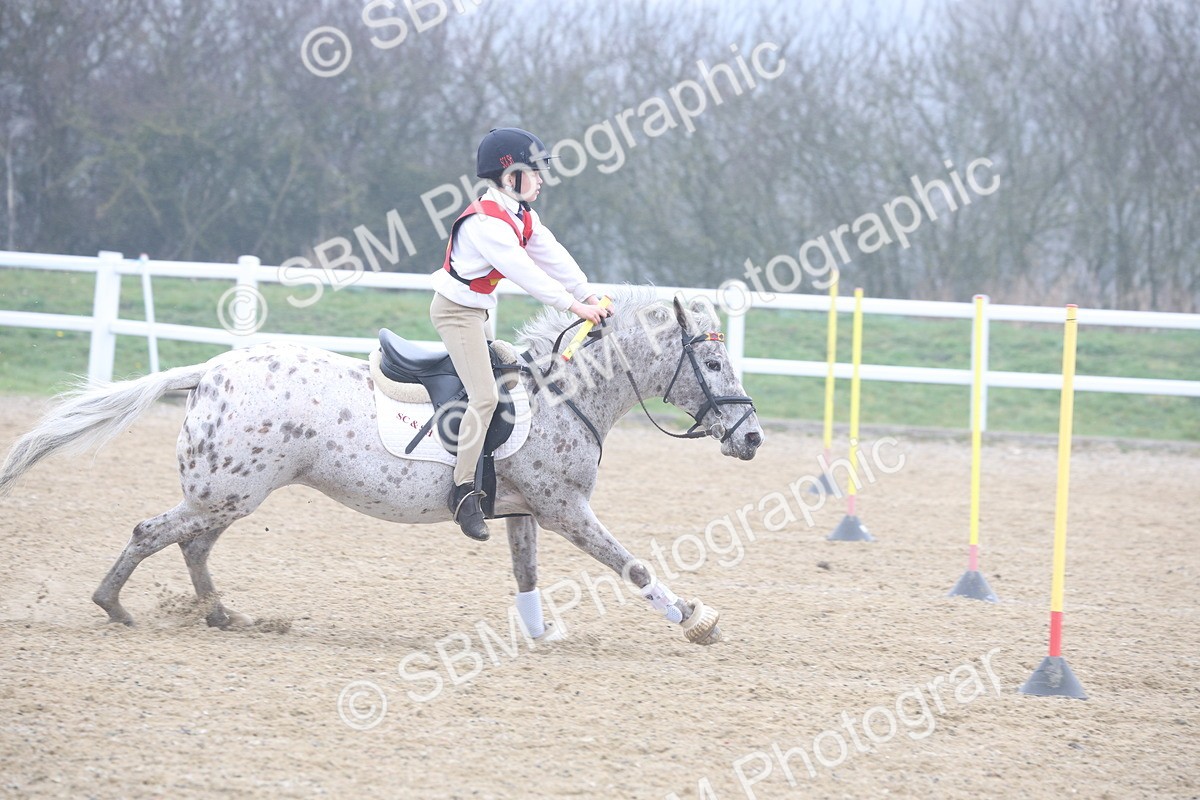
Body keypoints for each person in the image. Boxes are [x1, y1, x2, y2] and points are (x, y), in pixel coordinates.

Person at [430, 127, 611, 541]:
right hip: (457, 314)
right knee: (485, 396)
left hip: (479, 311)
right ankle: (462, 493)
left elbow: (553, 256)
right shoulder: (485, 223)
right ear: (509, 176)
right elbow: (524, 272)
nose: (542, 179)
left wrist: (589, 292)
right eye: (535, 171)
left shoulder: (522, 214)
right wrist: (575, 307)